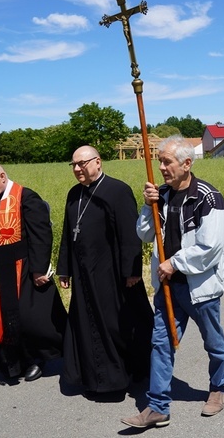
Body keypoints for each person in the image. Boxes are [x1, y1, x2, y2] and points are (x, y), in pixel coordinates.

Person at [122, 136, 224, 429]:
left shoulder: (208, 197)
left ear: (186, 163)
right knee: (160, 344)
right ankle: (157, 406)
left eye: (166, 161)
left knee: (213, 343)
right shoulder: (163, 195)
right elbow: (145, 234)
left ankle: (218, 388)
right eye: (159, 161)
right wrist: (147, 205)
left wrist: (175, 263)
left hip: (200, 288)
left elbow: (211, 248)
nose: (161, 167)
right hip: (168, 286)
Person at [57, 146, 153, 397]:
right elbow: (68, 233)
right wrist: (64, 268)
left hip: (111, 273)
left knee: (115, 325)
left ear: (97, 162)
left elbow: (129, 234)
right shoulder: (73, 194)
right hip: (82, 273)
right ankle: (91, 377)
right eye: (74, 165)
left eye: (82, 163)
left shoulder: (117, 191)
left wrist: (132, 270)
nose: (77, 169)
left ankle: (124, 375)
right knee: (86, 324)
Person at [0, 162, 67, 382]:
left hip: (24, 268)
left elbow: (41, 235)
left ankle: (35, 360)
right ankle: (13, 362)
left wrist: (40, 270)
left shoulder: (26, 197)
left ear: (2, 176)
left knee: (28, 319)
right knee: (2, 319)